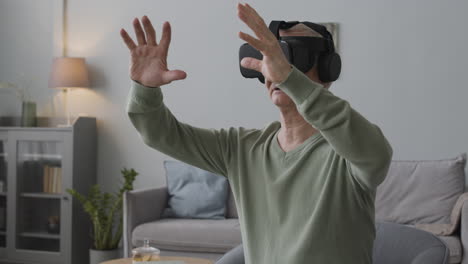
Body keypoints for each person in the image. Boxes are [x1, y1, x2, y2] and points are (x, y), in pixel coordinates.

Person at [120, 3, 393, 264]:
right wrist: (145, 89)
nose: (275, 68)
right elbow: (160, 134)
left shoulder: (347, 151)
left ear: (328, 69)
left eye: (291, 57)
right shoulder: (241, 148)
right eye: (271, 57)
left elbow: (375, 153)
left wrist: (289, 78)